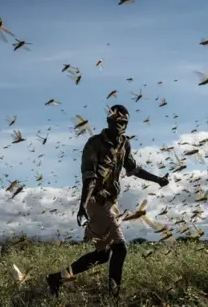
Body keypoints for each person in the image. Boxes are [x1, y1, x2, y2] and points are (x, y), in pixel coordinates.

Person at [46, 104, 169, 301]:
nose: (120, 126)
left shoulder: (124, 144)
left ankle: (55, 278)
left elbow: (133, 168)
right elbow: (90, 178)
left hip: (111, 202)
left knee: (103, 255)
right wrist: (83, 205)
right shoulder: (94, 144)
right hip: (96, 200)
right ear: (109, 121)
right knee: (121, 248)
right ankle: (114, 299)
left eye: (124, 123)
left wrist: (158, 180)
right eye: (117, 121)